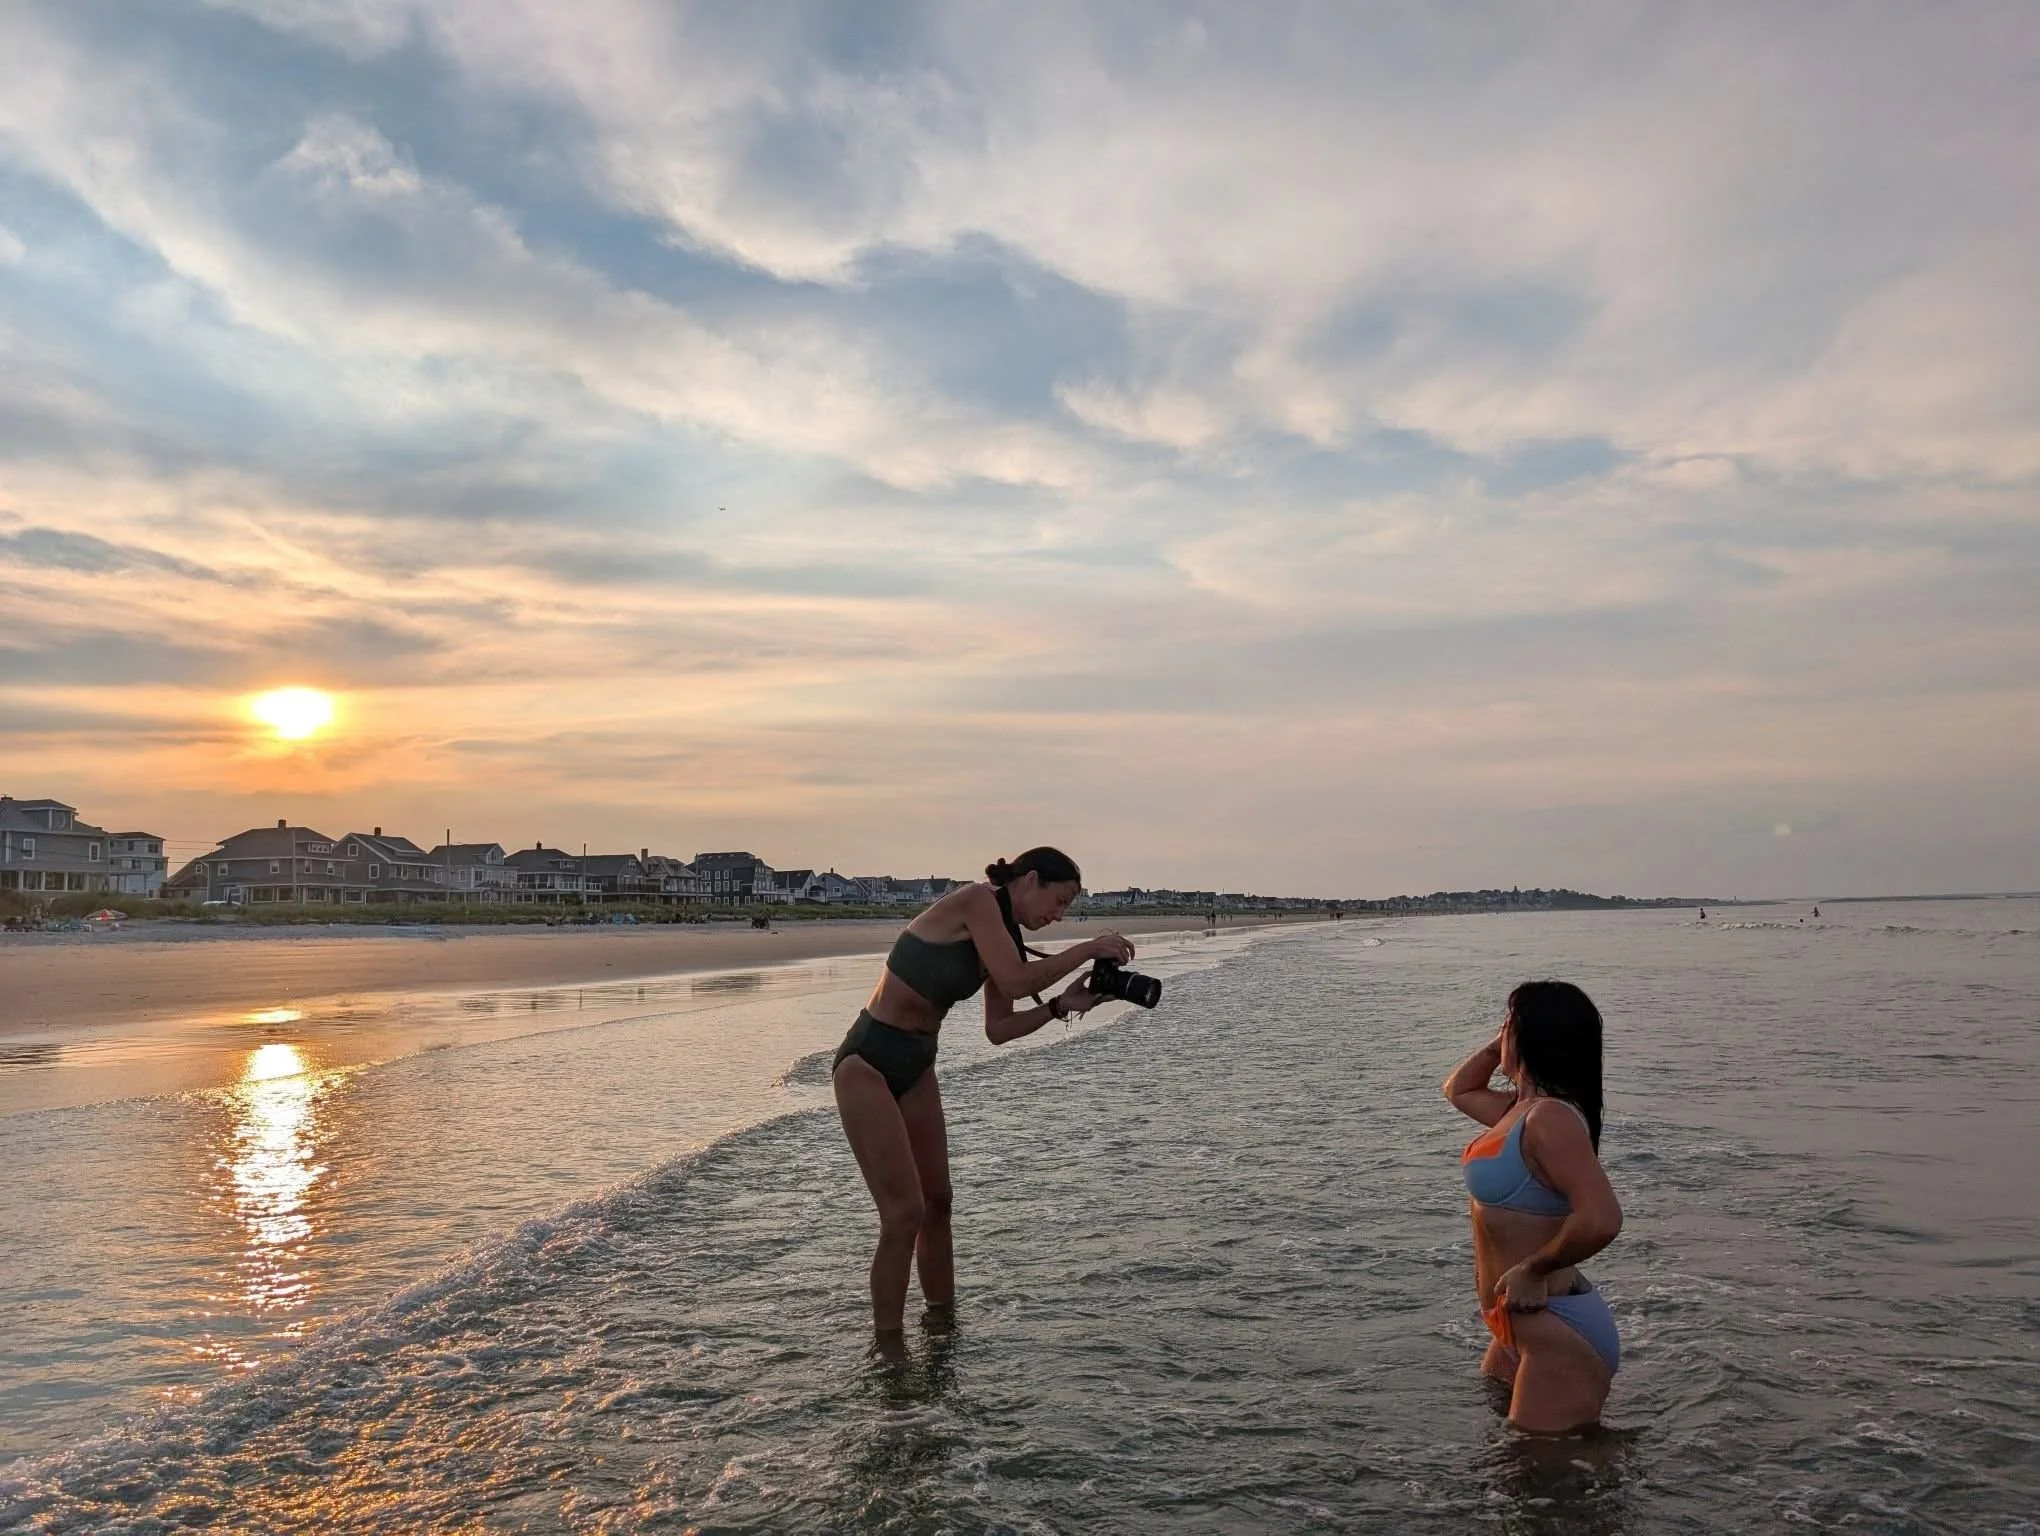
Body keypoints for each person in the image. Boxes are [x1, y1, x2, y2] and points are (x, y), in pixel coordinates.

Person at [833, 847, 1135, 1337]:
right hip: (867, 1060)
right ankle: (888, 1352)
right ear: (1029, 879)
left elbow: (999, 1027)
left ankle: (941, 1327)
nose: (1057, 916)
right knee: (904, 1212)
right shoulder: (976, 902)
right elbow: (1017, 982)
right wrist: (1087, 948)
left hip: (917, 1063)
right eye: (1058, 902)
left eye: (1067, 910)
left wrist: (1061, 1005)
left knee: (939, 1203)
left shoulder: (1007, 940)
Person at [1443, 981, 1624, 1433]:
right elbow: (1457, 1089)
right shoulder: (1519, 1110)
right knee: (1512, 1471)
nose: (1501, 1029)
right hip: (1516, 1326)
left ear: (1533, 1035)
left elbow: (1602, 1218)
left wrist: (1533, 1270)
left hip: (1553, 1328)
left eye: (1509, 1023)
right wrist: (1505, 1041)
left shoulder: (1551, 1118)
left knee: (1546, 1483)